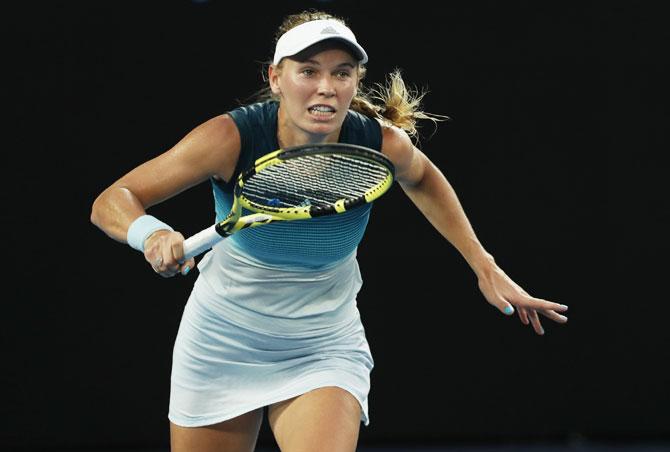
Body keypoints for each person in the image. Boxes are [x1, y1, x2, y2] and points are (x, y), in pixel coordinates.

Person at [90, 10, 569, 452]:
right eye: (309, 71)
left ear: (355, 81)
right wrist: (150, 234)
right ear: (276, 78)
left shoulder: (377, 142)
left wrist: (482, 264)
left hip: (323, 342)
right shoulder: (229, 138)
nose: (327, 87)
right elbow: (113, 200)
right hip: (223, 339)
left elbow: (422, 177)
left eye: (342, 73)